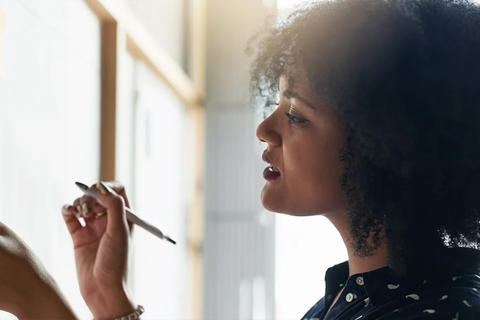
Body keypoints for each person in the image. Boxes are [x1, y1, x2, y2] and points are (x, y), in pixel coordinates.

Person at [1, 0, 480, 318]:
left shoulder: (441, 310)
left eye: (296, 116)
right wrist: (110, 302)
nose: (264, 129)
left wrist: (38, 304)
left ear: (384, 146)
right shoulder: (348, 296)